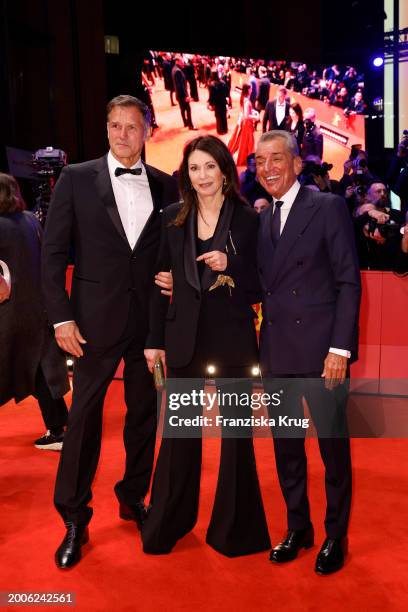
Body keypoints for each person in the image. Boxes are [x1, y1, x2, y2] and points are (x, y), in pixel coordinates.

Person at [41, 95, 178, 569]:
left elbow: (171, 252)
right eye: (115, 126)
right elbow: (52, 253)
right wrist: (61, 318)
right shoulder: (77, 179)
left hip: (149, 327)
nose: (122, 134)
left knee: (144, 414)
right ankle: (74, 517)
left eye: (132, 127)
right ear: (106, 129)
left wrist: (178, 276)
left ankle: (132, 495)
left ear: (147, 131)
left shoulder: (166, 185)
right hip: (91, 324)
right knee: (83, 421)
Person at [142, 135, 271, 557]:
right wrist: (154, 342)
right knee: (179, 437)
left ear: (225, 171)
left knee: (236, 439)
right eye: (194, 169)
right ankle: (169, 523)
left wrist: (230, 265)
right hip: (182, 340)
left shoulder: (249, 220)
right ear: (187, 174)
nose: (202, 177)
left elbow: (260, 286)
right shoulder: (171, 217)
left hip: (232, 339)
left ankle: (235, 531)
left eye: (210, 167)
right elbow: (158, 284)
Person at [255, 131, 361, 575]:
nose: (268, 168)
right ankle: (298, 526)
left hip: (322, 354)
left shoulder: (327, 207)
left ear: (298, 164)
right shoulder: (261, 218)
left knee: (332, 449)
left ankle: (336, 533)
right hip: (278, 351)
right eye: (260, 162)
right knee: (287, 448)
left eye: (277, 159)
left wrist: (340, 348)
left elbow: (348, 281)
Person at [0, 173, 70, 449]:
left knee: (17, 368)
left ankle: (58, 430)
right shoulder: (30, 219)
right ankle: (58, 430)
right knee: (41, 370)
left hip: (9, 312)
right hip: (38, 308)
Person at [228, 84, 256, 166]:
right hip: (247, 124)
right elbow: (246, 116)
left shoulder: (243, 98)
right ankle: (246, 159)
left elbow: (244, 112)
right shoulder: (247, 101)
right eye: (250, 89)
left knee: (244, 141)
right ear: (248, 90)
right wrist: (255, 117)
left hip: (244, 123)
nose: (251, 90)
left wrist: (252, 112)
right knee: (248, 142)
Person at [172, 55, 196, 130]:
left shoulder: (174, 69)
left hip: (179, 95)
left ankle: (185, 123)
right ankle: (190, 126)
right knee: (188, 109)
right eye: (182, 62)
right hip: (182, 95)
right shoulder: (178, 71)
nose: (183, 63)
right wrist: (186, 96)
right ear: (177, 61)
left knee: (182, 109)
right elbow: (180, 86)